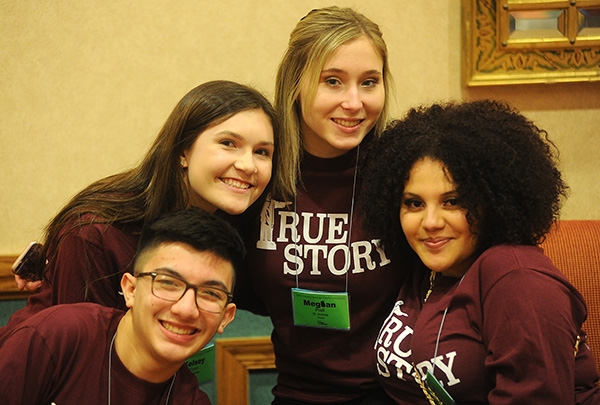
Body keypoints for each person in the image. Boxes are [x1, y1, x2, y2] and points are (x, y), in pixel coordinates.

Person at [360, 99, 600, 404]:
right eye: (414, 203)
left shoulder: (518, 279)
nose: (430, 222)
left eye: (453, 201)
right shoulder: (427, 266)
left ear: (492, 200)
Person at [3, 80, 287, 334]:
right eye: (228, 143)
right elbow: (83, 361)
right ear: (182, 151)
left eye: (262, 152)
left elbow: (268, 300)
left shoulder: (232, 221)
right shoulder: (96, 232)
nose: (248, 165)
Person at [233, 6, 403, 404]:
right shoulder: (258, 171)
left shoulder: (403, 171)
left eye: (369, 82)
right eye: (333, 81)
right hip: (294, 393)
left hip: (393, 394)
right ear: (296, 84)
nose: (354, 102)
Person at [0, 207, 243, 404]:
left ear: (226, 316)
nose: (186, 309)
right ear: (131, 290)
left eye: (211, 293)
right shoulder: (56, 337)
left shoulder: (190, 400)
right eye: (168, 283)